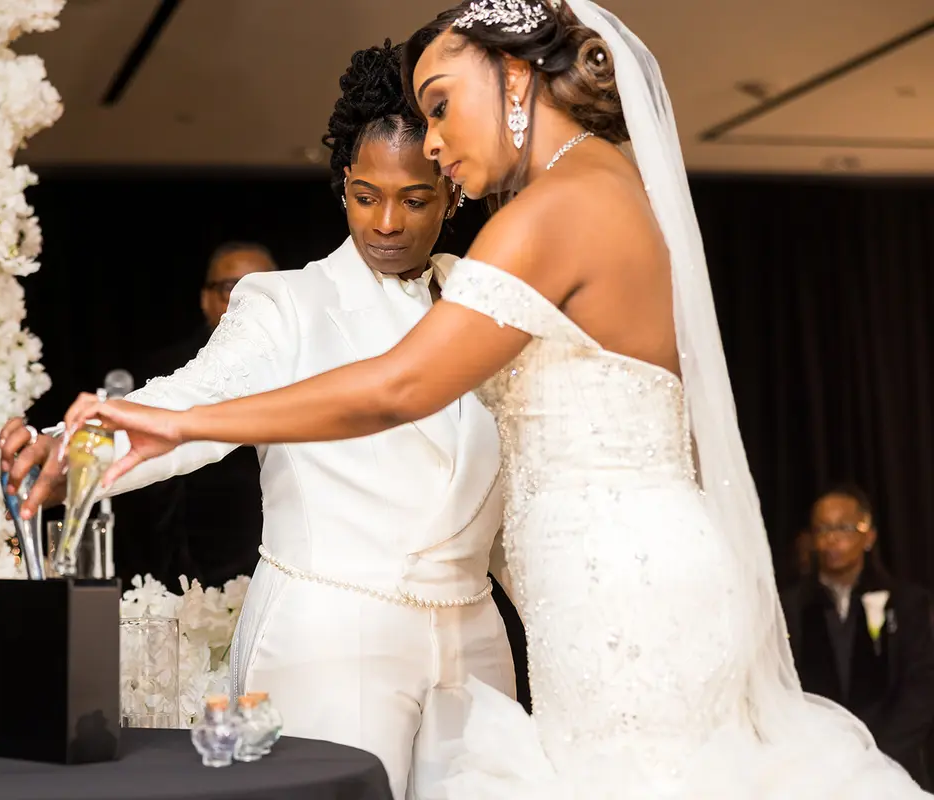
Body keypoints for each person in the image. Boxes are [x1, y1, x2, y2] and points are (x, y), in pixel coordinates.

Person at [54, 1, 930, 796]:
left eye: (439, 105)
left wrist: (173, 420)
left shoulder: (553, 210)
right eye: (368, 192)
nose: (433, 142)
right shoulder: (599, 193)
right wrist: (84, 454)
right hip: (531, 601)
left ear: (514, 77)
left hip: (604, 598)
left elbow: (399, 386)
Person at [7, 40, 517, 800]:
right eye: (364, 194)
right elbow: (192, 403)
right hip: (330, 633)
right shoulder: (286, 304)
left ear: (452, 193)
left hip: (475, 637)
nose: (385, 221)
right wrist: (68, 456)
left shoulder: (490, 304)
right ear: (341, 186)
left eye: (413, 199)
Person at [123, 242, 277, 587]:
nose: (244, 300)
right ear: (205, 298)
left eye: (261, 288)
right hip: (180, 558)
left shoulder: (311, 372)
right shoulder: (161, 371)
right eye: (230, 288)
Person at [784, 485, 934, 788]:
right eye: (822, 529)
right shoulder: (791, 607)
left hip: (893, 761)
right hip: (816, 763)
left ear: (869, 536)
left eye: (843, 527)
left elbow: (921, 686)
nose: (832, 539)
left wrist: (877, 754)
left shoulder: (908, 603)